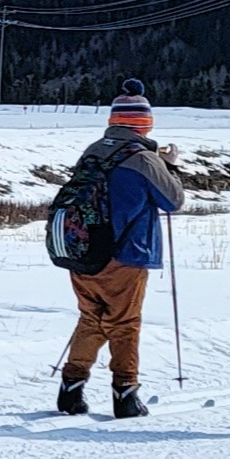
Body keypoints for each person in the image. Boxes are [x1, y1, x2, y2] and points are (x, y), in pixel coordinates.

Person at [57, 80, 185, 419]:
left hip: (82, 250)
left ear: (114, 121)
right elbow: (174, 201)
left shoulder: (93, 151)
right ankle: (125, 394)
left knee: (92, 317)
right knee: (125, 322)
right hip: (126, 253)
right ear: (144, 124)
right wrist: (169, 164)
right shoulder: (144, 158)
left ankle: (71, 388)